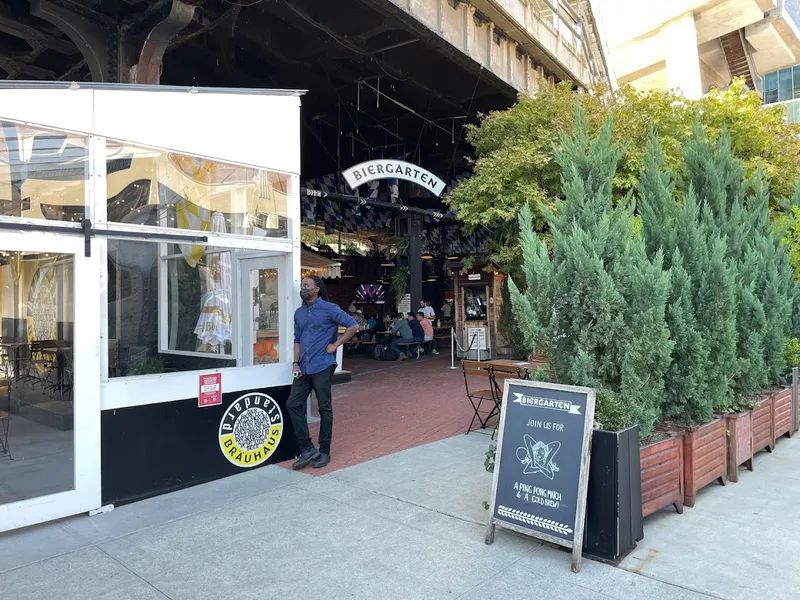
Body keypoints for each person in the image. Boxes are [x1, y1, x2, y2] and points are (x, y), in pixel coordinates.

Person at [287, 275, 358, 470]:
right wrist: (295, 363)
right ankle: (307, 448)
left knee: (324, 408)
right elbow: (297, 339)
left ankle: (324, 450)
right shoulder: (299, 313)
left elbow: (352, 325)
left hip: (322, 364)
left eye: (307, 285)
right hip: (303, 367)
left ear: (317, 288)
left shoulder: (329, 309)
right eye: (302, 285)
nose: (303, 288)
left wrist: (335, 345)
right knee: (293, 404)